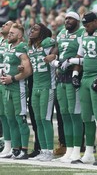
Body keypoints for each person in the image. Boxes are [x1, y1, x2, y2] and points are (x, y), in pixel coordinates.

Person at [70, 12, 97, 165]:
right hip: (86, 76)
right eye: (84, 25)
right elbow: (79, 56)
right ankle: (89, 153)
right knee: (86, 117)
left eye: (88, 24)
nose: (86, 27)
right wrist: (76, 73)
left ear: (96, 21)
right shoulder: (84, 33)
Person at [52, 12, 84, 162]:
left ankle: (77, 150)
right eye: (65, 18)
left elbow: (86, 54)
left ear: (77, 21)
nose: (67, 20)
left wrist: (71, 61)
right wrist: (54, 61)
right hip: (60, 77)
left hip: (74, 76)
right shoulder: (61, 33)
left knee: (75, 114)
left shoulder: (82, 33)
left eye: (70, 18)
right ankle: (69, 150)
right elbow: (55, 52)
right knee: (64, 115)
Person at [1, 23, 32, 159]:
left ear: (19, 36)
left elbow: (28, 70)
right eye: (9, 33)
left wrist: (12, 78)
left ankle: (24, 149)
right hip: (7, 87)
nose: (9, 35)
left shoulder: (21, 47)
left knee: (20, 118)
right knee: (10, 119)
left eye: (12, 33)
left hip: (17, 87)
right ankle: (15, 148)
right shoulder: (8, 47)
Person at [26, 23, 56, 161]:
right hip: (36, 86)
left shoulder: (47, 42)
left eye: (36, 29)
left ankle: (49, 151)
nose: (32, 31)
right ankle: (43, 150)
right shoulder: (30, 47)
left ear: (42, 32)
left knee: (45, 119)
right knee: (37, 120)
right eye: (31, 29)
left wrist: (54, 54)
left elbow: (59, 46)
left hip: (47, 86)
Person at [0, 20, 13, 157]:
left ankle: (14, 145)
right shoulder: (1, 42)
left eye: (7, 24)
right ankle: (7, 145)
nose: (3, 25)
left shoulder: (13, 43)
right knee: (2, 114)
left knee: (10, 115)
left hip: (8, 81)